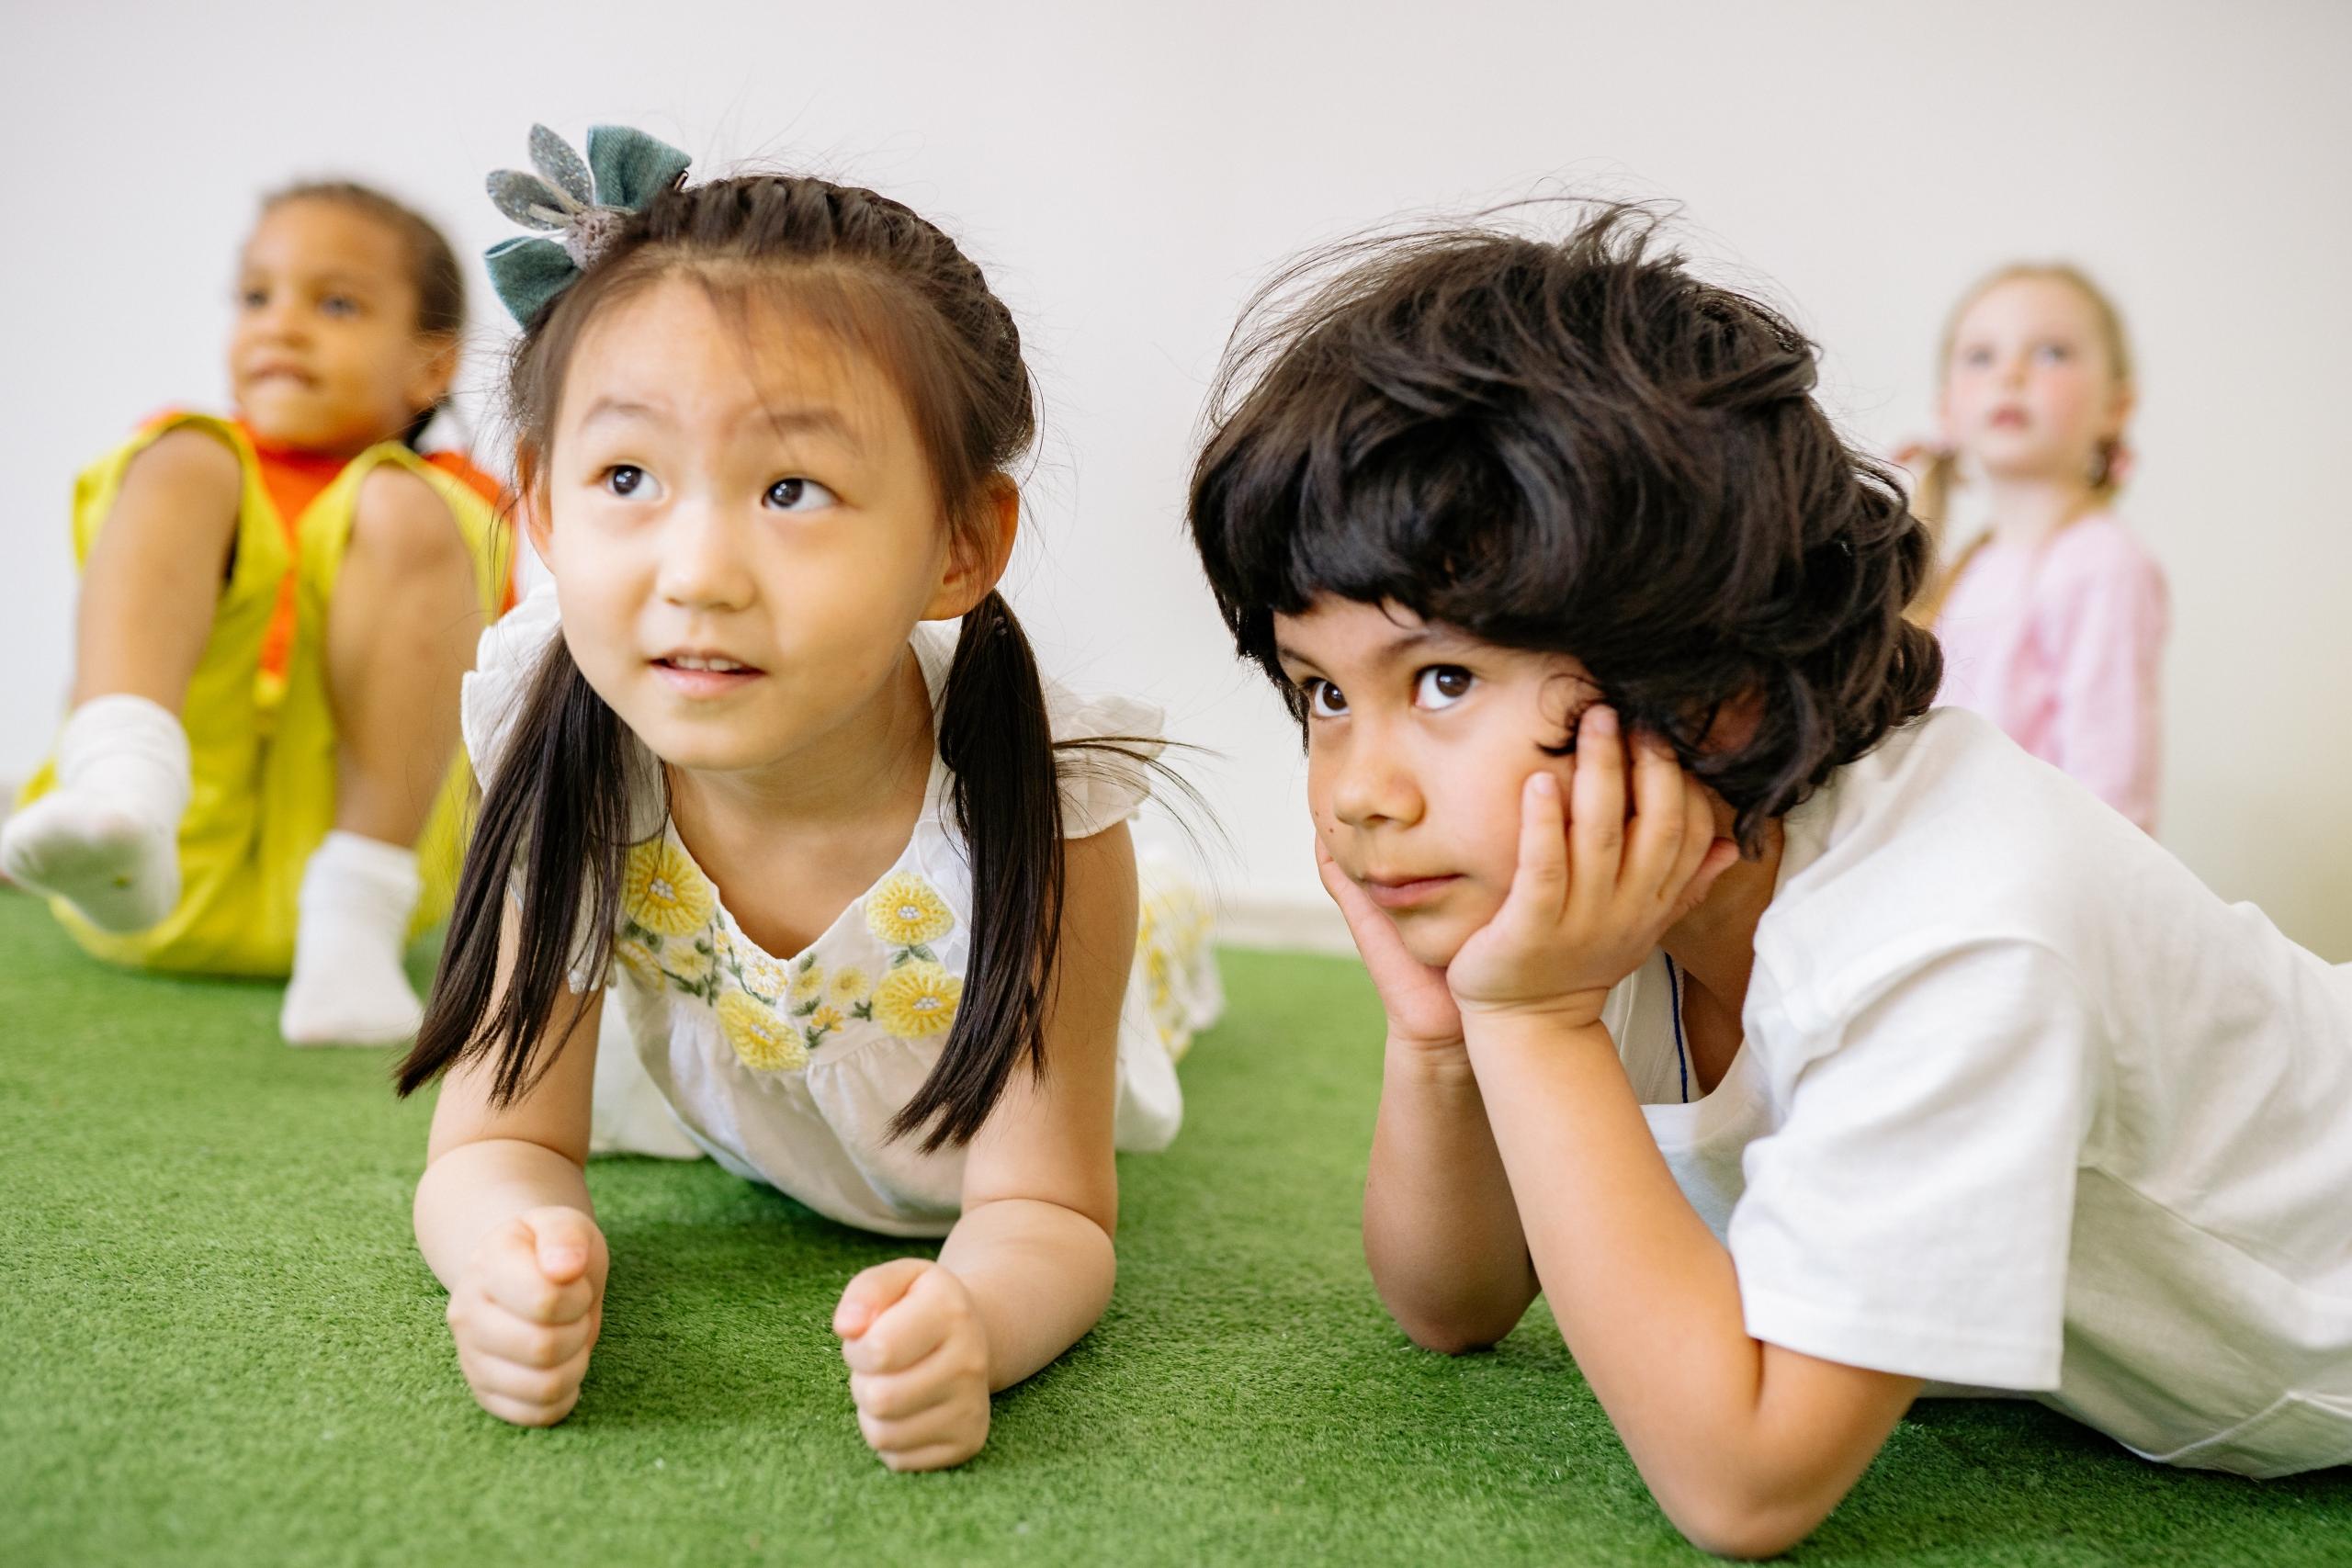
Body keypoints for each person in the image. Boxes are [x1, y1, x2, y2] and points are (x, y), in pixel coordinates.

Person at [1186, 209, 2352, 1556]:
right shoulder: (1624, 877)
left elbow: (1746, 1480)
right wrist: (1448, 1038)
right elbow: (1454, 1304)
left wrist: (1536, 1024)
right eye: (1323, 691)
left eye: (1443, 680)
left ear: (1715, 687)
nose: (1358, 787)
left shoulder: (1953, 933)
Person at [399, 127, 1216, 1471]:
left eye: (791, 488)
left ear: (962, 543)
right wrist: (506, 1254)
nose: (699, 570)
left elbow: (1050, 1210)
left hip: (1016, 995)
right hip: (750, 1083)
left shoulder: (1046, 811)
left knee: (1169, 954)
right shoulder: (561, 743)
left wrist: (978, 1317)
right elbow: (490, 1140)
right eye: (627, 478)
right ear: (540, 503)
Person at [1, 179, 512, 1043]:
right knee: (179, 455)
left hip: (366, 870)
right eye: (255, 296)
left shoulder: (455, 506)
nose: (280, 324)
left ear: (431, 364)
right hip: (167, 842)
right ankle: (121, 781)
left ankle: (353, 921)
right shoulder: (199, 467)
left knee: (409, 505)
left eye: (337, 303)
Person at [1904, 264, 2165, 830]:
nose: (2011, 374)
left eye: (2051, 353)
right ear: (1947, 409)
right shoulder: (1965, 570)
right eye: (1981, 356)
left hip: (2035, 889)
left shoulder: (2100, 563)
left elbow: (2113, 789)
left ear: (2116, 407)